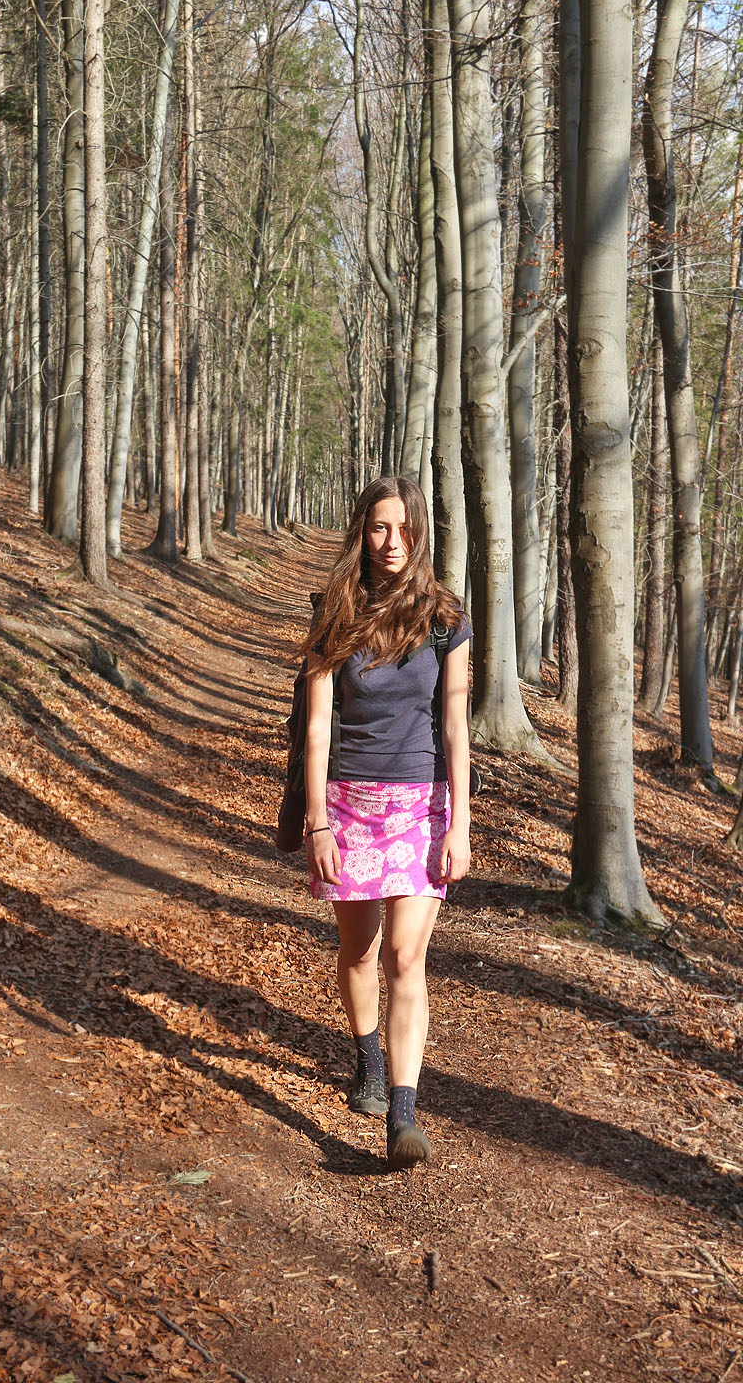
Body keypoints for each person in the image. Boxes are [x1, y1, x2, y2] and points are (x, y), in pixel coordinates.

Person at [302, 475, 472, 1170]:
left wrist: (461, 823)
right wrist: (317, 821)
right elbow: (318, 725)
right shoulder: (335, 612)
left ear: (420, 534)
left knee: (405, 955)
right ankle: (368, 1056)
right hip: (349, 802)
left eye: (403, 529)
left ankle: (403, 1112)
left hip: (421, 803)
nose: (391, 541)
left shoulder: (446, 619)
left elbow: (455, 724)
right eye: (379, 527)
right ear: (362, 532)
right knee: (359, 951)